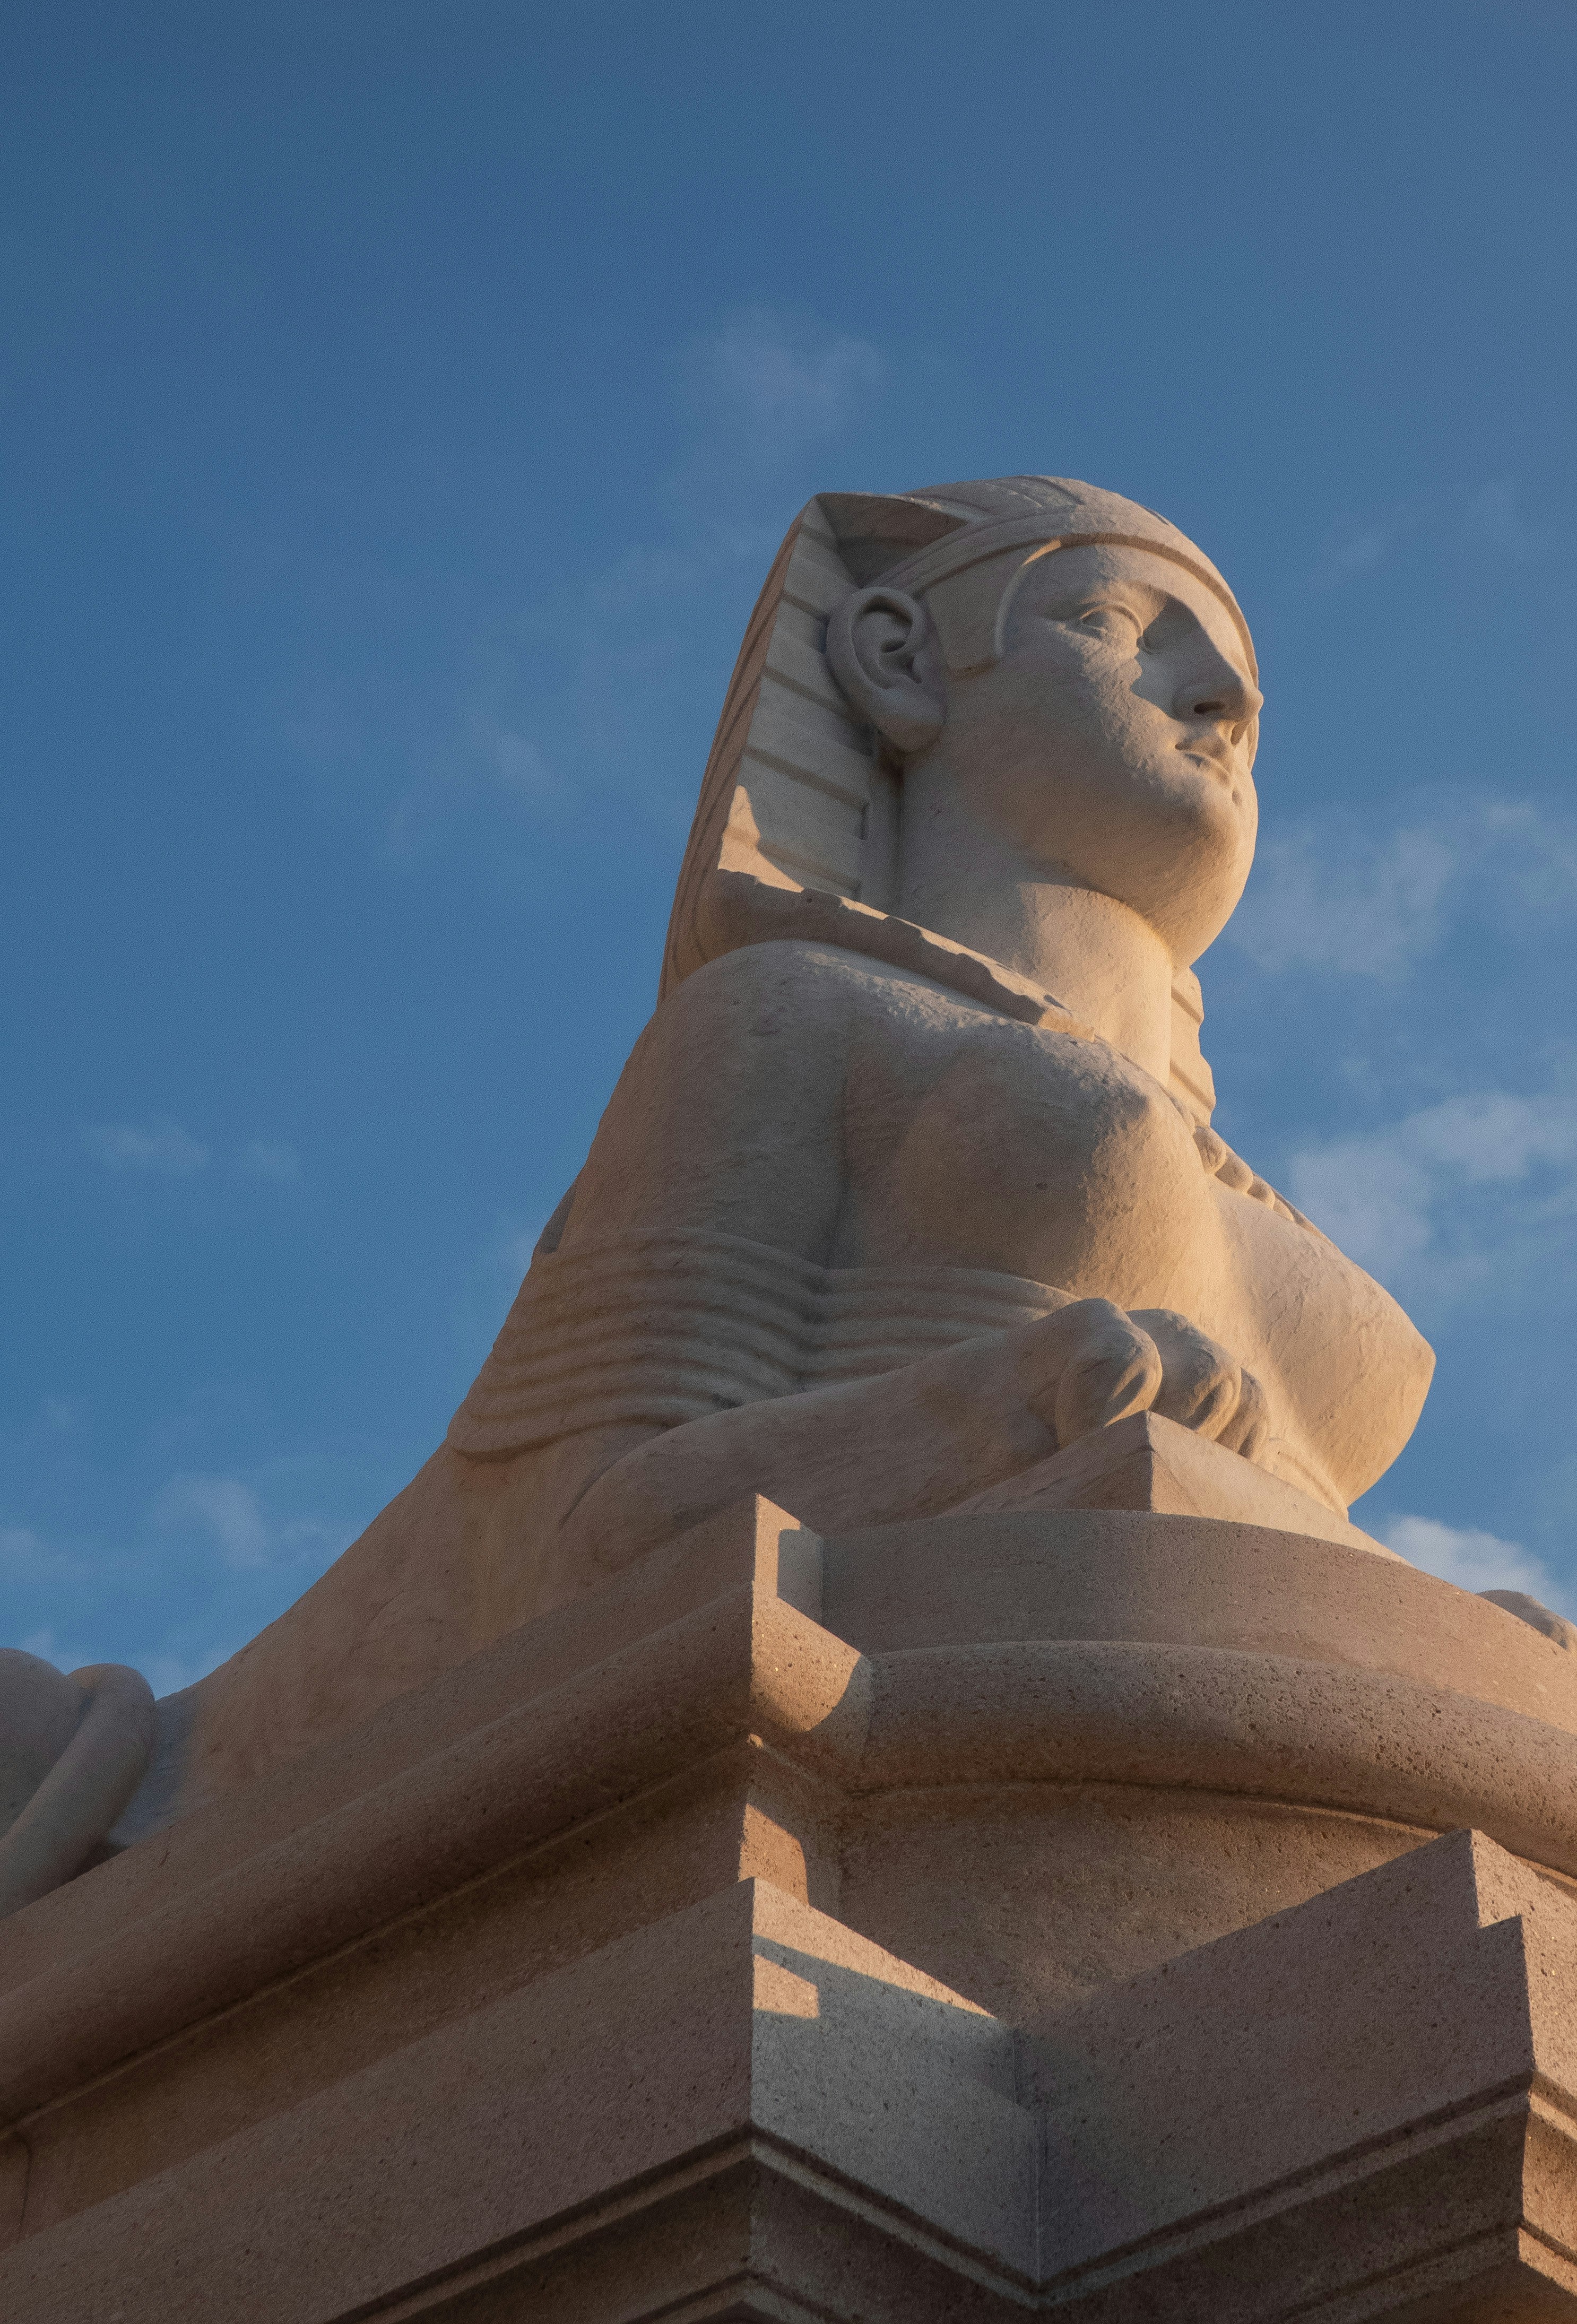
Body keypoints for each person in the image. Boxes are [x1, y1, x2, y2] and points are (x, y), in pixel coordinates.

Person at [164, 478, 1437, 1811]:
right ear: (896, 662)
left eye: (1246, 687)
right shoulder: (789, 1016)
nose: (1223, 703)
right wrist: (995, 1405)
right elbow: (597, 1548)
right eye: (1121, 622)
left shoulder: (1264, 1221)